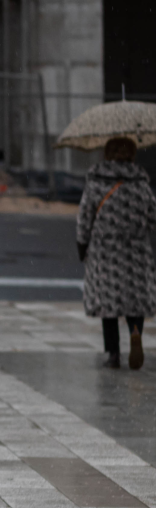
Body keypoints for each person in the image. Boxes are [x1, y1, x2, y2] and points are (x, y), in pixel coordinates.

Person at [76, 136, 156, 370]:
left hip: (105, 252)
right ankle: (135, 334)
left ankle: (113, 353)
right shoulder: (140, 184)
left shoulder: (96, 183)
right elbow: (153, 217)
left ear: (107, 154)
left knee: (107, 304)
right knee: (134, 302)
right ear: (132, 154)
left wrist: (82, 247)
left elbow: (84, 219)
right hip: (136, 253)